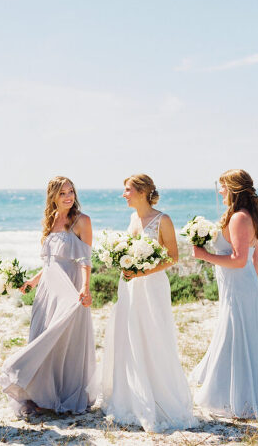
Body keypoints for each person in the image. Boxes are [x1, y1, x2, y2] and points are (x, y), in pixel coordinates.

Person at [100, 174, 197, 432]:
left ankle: (159, 399)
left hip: (152, 287)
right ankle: (131, 399)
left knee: (153, 337)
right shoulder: (133, 218)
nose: (124, 194)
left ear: (142, 191)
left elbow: (173, 257)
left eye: (128, 190)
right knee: (129, 338)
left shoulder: (163, 220)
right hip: (129, 287)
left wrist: (142, 272)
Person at [0, 176, 96, 414]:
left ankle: (62, 394)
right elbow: (50, 262)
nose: (68, 197)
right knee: (41, 335)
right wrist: (32, 282)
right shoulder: (50, 220)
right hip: (47, 290)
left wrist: (85, 288)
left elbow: (85, 260)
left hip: (70, 289)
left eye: (71, 191)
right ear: (53, 196)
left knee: (64, 339)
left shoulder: (82, 221)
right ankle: (40, 395)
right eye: (62, 193)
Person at [190, 169, 258, 419]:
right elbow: (257, 254)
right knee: (239, 337)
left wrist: (205, 256)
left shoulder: (238, 218)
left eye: (223, 186)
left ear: (233, 188)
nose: (220, 191)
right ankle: (242, 393)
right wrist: (250, 280)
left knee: (234, 338)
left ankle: (230, 397)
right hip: (242, 287)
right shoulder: (250, 216)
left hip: (239, 289)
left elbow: (238, 259)